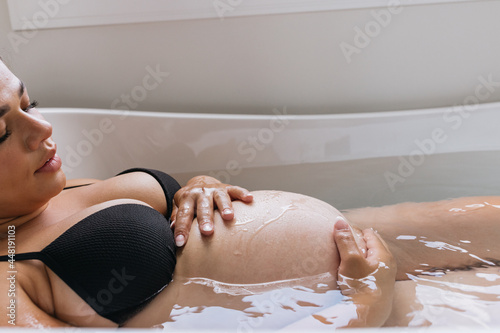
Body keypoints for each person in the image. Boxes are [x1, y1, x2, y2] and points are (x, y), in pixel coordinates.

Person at [0, 59, 497, 329]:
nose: (41, 127)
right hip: (329, 305)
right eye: (3, 131)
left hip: (357, 243)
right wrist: (363, 307)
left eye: (30, 103)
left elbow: (162, 225)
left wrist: (198, 189)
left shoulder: (42, 186)